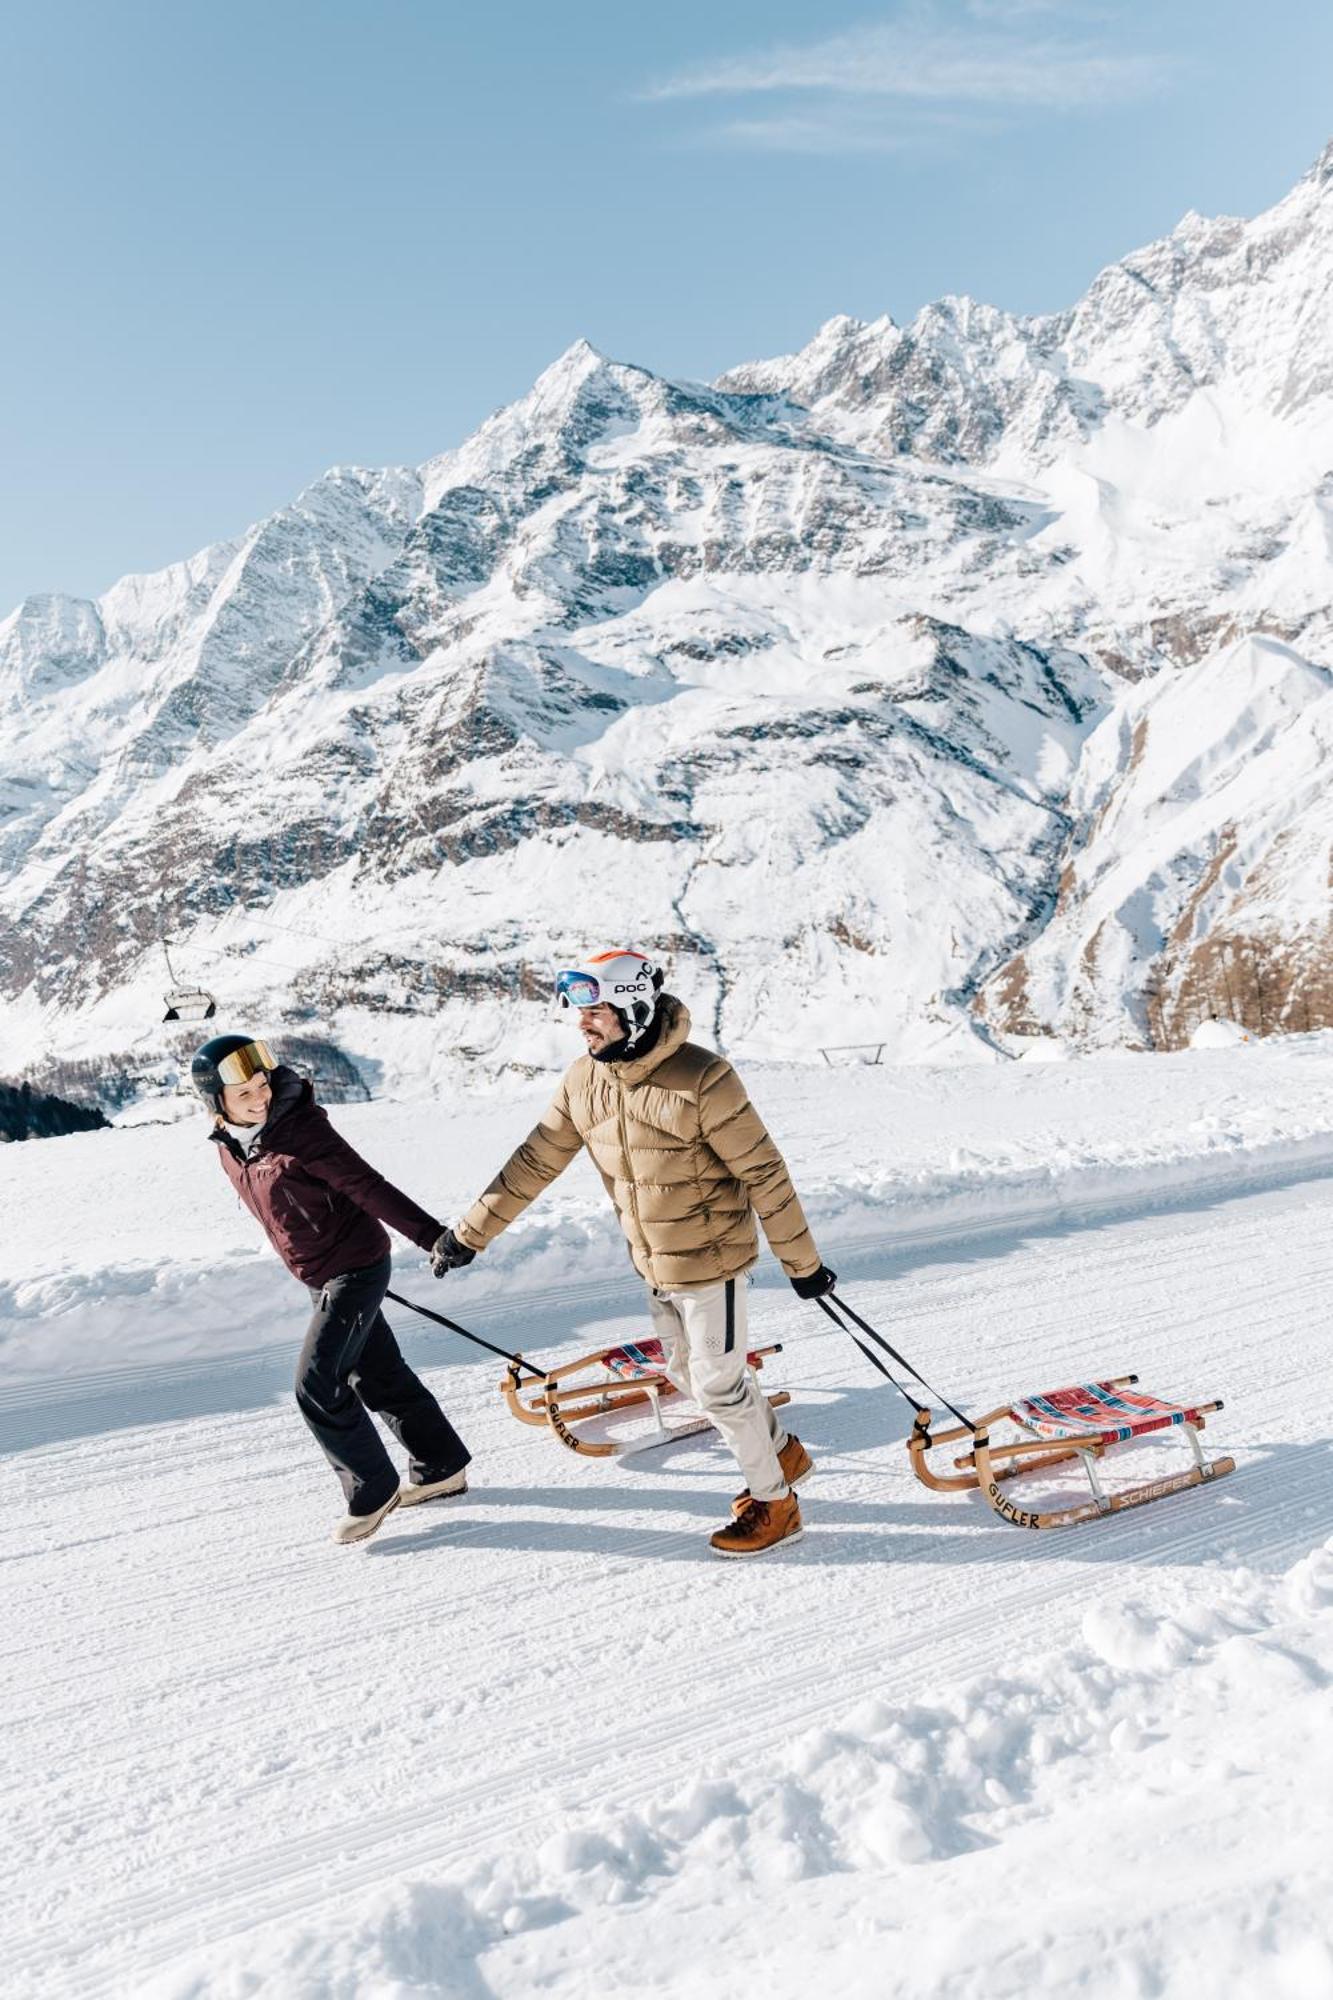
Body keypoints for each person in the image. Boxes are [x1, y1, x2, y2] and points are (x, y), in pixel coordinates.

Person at [431, 951, 836, 1557]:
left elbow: (766, 1175)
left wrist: (802, 1266)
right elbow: (536, 1161)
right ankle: (780, 1450)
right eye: (579, 1011)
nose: (582, 1023)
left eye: (595, 1011)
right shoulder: (584, 1080)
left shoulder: (704, 1080)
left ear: (635, 1008)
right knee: (683, 1375)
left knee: (720, 1388)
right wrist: (470, 1233)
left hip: (712, 1263)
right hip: (653, 1262)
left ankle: (777, 1504)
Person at [193, 1034, 471, 1545]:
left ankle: (373, 1488)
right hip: (318, 1273)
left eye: (262, 1085)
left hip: (356, 1267)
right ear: (217, 1104)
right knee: (377, 1373)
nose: (260, 1099)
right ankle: (441, 1466)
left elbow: (367, 1185)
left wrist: (434, 1237)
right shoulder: (231, 1146)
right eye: (245, 1094)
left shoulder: (301, 1131)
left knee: (317, 1385)